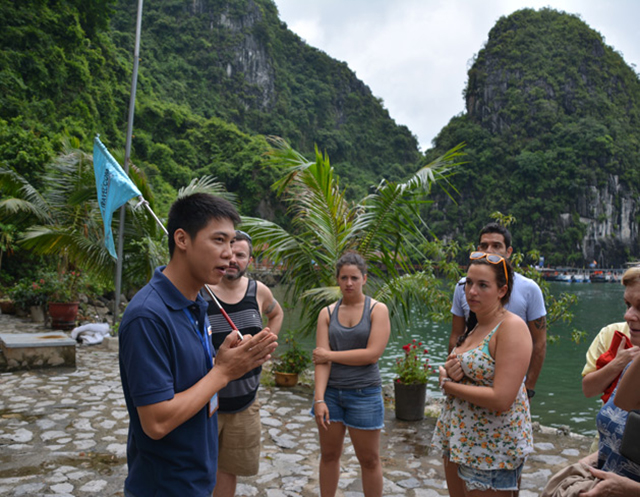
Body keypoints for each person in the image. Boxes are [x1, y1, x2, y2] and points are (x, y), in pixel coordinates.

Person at [118, 193, 278, 497]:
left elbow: (192, 382)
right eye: (219, 240)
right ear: (182, 239)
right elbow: (156, 421)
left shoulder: (196, 304)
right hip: (165, 485)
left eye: (232, 243)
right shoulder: (147, 316)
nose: (230, 255)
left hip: (198, 477)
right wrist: (223, 372)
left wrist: (219, 360)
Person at [433, 251, 533, 496]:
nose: (472, 291)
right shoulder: (477, 323)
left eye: (482, 285)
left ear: (502, 290)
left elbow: (502, 398)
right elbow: (476, 368)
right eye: (468, 283)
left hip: (491, 447)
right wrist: (452, 371)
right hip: (461, 438)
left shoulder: (511, 327)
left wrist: (447, 385)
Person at [541, 266, 640, 497]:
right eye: (628, 305)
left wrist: (628, 489)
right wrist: (580, 469)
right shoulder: (621, 346)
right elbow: (616, 427)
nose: (628, 316)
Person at [202, 229, 284, 497]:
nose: (233, 259)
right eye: (229, 253)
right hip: (205, 404)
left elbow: (276, 312)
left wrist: (267, 340)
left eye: (241, 255)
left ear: (249, 260)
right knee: (200, 469)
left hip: (246, 404)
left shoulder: (257, 291)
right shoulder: (201, 291)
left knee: (229, 470)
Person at [311, 251, 390, 497]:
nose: (349, 283)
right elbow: (320, 363)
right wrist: (319, 399)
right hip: (332, 394)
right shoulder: (327, 313)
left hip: (364, 394)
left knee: (369, 460)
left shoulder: (377, 310)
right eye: (344, 278)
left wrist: (330, 356)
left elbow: (372, 354)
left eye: (354, 278)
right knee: (329, 455)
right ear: (337, 280)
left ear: (364, 278)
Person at [449, 223, 547, 399]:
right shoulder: (464, 286)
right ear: (478, 249)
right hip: (468, 383)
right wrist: (452, 367)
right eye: (484, 246)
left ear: (508, 252)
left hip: (510, 386)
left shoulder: (529, 289)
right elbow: (457, 334)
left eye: (496, 246)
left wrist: (529, 387)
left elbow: (539, 343)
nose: (489, 251)